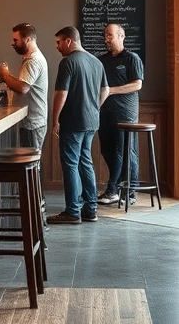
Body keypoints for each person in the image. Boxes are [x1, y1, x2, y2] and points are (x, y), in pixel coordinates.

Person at [46, 26, 108, 225]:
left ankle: (73, 211)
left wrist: (54, 120)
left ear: (69, 41)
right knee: (85, 162)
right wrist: (93, 106)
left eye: (58, 42)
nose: (57, 47)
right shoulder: (96, 62)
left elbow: (60, 94)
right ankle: (91, 209)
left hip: (73, 120)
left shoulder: (68, 62)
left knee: (71, 163)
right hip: (92, 120)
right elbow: (105, 90)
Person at [95, 24, 144, 206]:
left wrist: (111, 90)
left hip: (125, 114)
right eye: (105, 35)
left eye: (110, 35)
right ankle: (117, 188)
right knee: (107, 150)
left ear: (121, 35)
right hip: (104, 112)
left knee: (124, 151)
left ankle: (125, 190)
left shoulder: (132, 58)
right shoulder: (101, 60)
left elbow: (137, 84)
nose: (106, 38)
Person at [0, 23, 49, 152]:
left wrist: (4, 75)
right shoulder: (32, 59)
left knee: (31, 163)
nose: (13, 43)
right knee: (31, 164)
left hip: (32, 123)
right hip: (33, 121)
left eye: (16, 40)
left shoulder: (33, 61)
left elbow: (23, 88)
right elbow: (23, 83)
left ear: (27, 39)